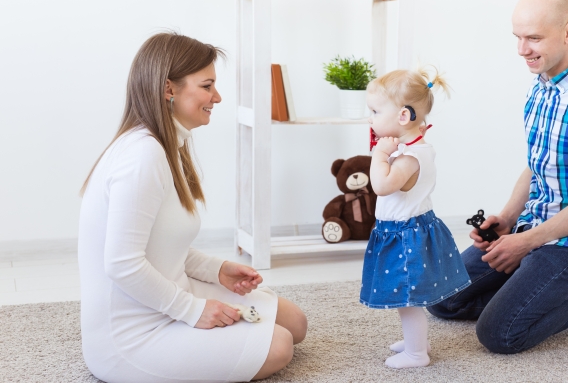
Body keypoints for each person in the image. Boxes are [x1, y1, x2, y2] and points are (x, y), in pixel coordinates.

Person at [78, 32, 307, 382]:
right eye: (207, 86)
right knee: (279, 345)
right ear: (169, 89)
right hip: (131, 334)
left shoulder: (164, 145)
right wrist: (193, 311)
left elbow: (160, 246)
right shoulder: (143, 156)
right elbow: (122, 265)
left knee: (295, 323)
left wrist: (218, 270)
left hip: (163, 293)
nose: (217, 97)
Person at [427, 0, 568, 354]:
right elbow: (537, 164)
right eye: (518, 37)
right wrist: (509, 219)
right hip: (533, 226)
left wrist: (526, 243)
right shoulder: (541, 86)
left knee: (499, 334)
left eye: (534, 38)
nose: (522, 49)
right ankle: (529, 287)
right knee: (442, 301)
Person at [361, 68, 472, 369]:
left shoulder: (409, 158)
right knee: (407, 298)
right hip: (405, 231)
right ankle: (416, 341)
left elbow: (382, 186)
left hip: (405, 236)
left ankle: (416, 353)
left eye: (374, 111)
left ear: (402, 117)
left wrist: (378, 156)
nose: (369, 117)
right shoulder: (411, 149)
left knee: (408, 301)